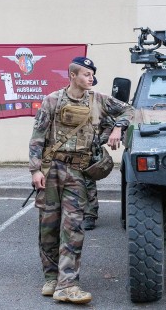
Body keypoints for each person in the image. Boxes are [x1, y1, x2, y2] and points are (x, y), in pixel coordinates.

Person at [29, 56, 133, 304]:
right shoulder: (52, 100)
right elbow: (37, 136)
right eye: (86, 74)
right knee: (49, 226)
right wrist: (35, 170)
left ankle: (68, 284)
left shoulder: (98, 99)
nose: (91, 78)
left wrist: (118, 128)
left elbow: (129, 109)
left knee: (73, 227)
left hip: (78, 173)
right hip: (51, 169)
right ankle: (52, 278)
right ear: (72, 75)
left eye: (92, 75)